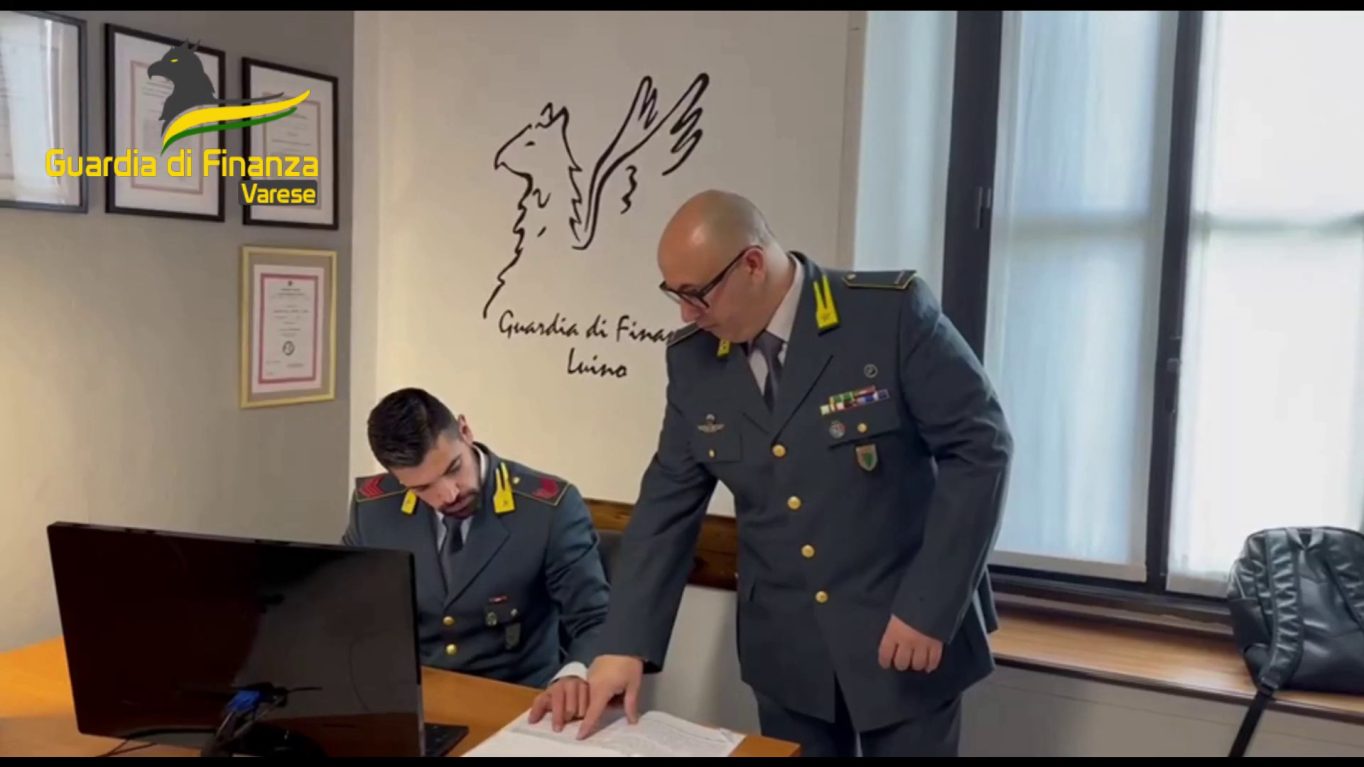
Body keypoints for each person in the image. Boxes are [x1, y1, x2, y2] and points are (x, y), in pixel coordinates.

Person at [576, 190, 1013, 757]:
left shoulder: (888, 315)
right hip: (787, 653)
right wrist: (624, 644)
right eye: (674, 295)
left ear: (752, 264)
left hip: (902, 632)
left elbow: (981, 449)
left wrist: (929, 608)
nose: (685, 314)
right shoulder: (692, 359)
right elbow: (666, 504)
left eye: (696, 294)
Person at [343, 387, 610, 730]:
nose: (448, 494)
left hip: (521, 708)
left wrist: (573, 674)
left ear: (465, 431)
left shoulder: (547, 510)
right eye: (422, 488)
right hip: (418, 707)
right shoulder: (373, 510)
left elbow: (595, 618)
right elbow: (351, 613)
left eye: (454, 468)